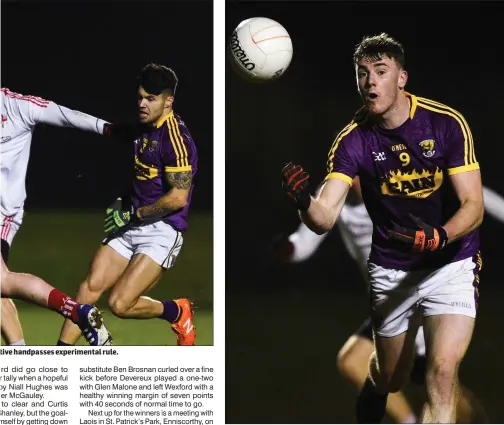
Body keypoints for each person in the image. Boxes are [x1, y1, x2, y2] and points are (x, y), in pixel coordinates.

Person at [281, 33, 484, 423]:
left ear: (402, 78)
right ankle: (375, 387)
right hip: (392, 269)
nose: (370, 81)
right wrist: (304, 201)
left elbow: (473, 205)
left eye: (380, 71)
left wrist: (439, 235)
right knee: (391, 376)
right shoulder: (352, 141)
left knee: (441, 373)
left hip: (452, 262)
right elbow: (323, 219)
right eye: (362, 74)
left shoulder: (445, 124)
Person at [274, 178, 503, 423]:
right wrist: (287, 243)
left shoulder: (401, 181)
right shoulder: (333, 189)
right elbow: (303, 243)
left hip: (422, 300)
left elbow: (472, 190)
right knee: (363, 364)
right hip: (391, 306)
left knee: (433, 384)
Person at [56, 63, 198, 347]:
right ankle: (61, 355)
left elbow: (177, 198)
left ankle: (176, 311)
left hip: (163, 229)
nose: (142, 104)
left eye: (151, 99)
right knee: (89, 288)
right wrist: (124, 201)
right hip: (133, 221)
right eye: (140, 97)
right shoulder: (142, 128)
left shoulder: (176, 140)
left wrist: (135, 212)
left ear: (169, 101)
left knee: (120, 304)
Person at [1, 87, 113, 345]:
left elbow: (65, 115)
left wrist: (106, 128)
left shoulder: (16, 105)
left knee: (2, 280)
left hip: (3, 212)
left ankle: (78, 312)